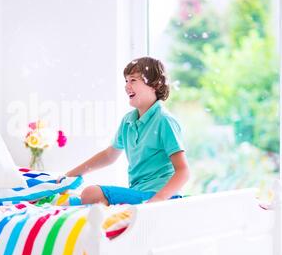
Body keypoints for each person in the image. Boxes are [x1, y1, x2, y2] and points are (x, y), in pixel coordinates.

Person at [62, 57, 190, 205]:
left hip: (161, 197)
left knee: (91, 193)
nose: (127, 86)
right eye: (126, 81)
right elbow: (109, 155)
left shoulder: (164, 120)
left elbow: (183, 171)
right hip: (139, 193)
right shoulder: (128, 121)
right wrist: (70, 175)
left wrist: (157, 201)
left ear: (154, 85)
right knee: (87, 196)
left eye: (133, 80)